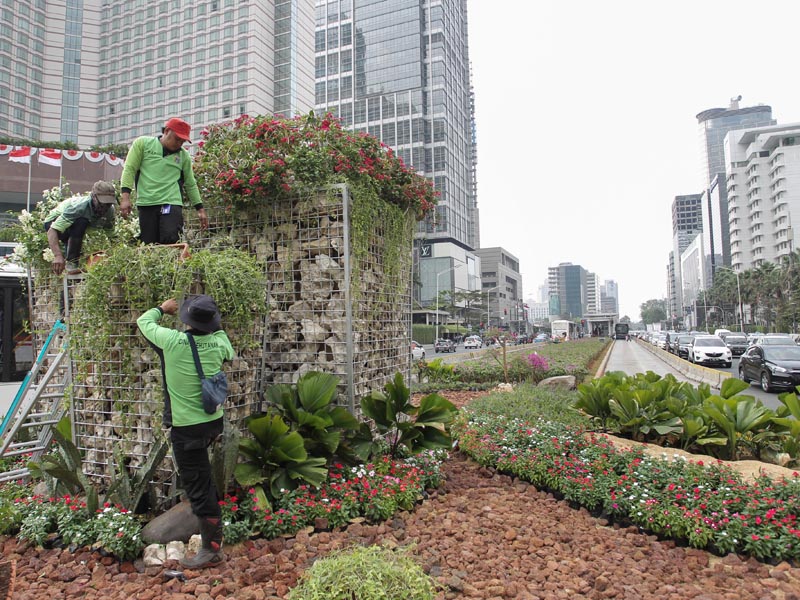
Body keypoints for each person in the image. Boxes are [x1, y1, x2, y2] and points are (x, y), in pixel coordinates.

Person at [136, 295, 234, 568]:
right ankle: (208, 541)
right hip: (212, 423)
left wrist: (162, 309)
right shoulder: (219, 343)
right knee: (203, 479)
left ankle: (212, 550)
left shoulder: (172, 342)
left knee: (201, 490)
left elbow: (143, 321)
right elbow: (225, 343)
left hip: (187, 430)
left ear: (186, 320)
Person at [120, 117, 208, 244]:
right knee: (149, 244)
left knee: (171, 239)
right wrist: (125, 197)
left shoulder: (184, 156)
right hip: (147, 203)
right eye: (177, 139)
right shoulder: (143, 144)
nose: (179, 144)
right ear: (166, 131)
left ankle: (173, 263)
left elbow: (190, 183)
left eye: (182, 141)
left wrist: (200, 209)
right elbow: (129, 169)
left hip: (171, 202)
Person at [44, 180, 117, 275]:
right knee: (81, 221)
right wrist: (57, 256)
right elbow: (53, 230)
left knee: (80, 233)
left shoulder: (109, 211)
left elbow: (112, 235)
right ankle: (72, 263)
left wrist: (119, 255)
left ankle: (72, 265)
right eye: (102, 203)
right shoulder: (80, 207)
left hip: (71, 228)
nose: (105, 208)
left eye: (108, 204)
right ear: (94, 197)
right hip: (53, 222)